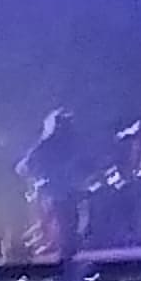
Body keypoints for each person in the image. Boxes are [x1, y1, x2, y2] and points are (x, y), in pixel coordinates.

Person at [18, 109, 86, 264]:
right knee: (60, 220)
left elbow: (82, 164)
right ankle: (60, 250)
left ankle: (65, 251)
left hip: (66, 190)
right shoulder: (46, 145)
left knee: (68, 220)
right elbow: (24, 167)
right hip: (55, 191)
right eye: (63, 123)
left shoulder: (72, 143)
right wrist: (40, 178)